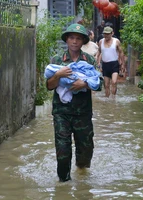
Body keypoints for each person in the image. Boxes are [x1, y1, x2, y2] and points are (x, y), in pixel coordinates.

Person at [45, 23, 102, 182]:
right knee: (63, 150)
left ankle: (81, 174)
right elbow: (49, 86)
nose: (75, 41)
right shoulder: (57, 60)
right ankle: (63, 184)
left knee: (85, 150)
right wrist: (58, 75)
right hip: (61, 112)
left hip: (83, 113)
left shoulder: (89, 60)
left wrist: (84, 84)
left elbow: (99, 83)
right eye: (71, 38)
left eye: (78, 38)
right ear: (67, 40)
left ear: (83, 41)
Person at [97, 26, 125, 98]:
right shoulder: (101, 42)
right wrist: (98, 62)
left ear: (112, 33)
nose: (106, 35)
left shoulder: (116, 41)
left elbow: (121, 52)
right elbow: (99, 52)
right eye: (104, 34)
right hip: (105, 65)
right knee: (106, 84)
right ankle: (107, 98)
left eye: (107, 34)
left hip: (114, 64)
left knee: (114, 82)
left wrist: (123, 65)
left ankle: (113, 98)